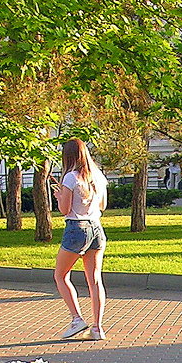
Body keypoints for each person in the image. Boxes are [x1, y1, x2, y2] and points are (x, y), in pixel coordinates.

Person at [53, 138, 109, 341]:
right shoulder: (98, 176)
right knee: (94, 280)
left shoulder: (71, 177)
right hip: (96, 227)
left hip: (77, 228)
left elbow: (64, 210)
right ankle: (97, 328)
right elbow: (102, 205)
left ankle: (77, 319)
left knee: (61, 275)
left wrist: (59, 196)